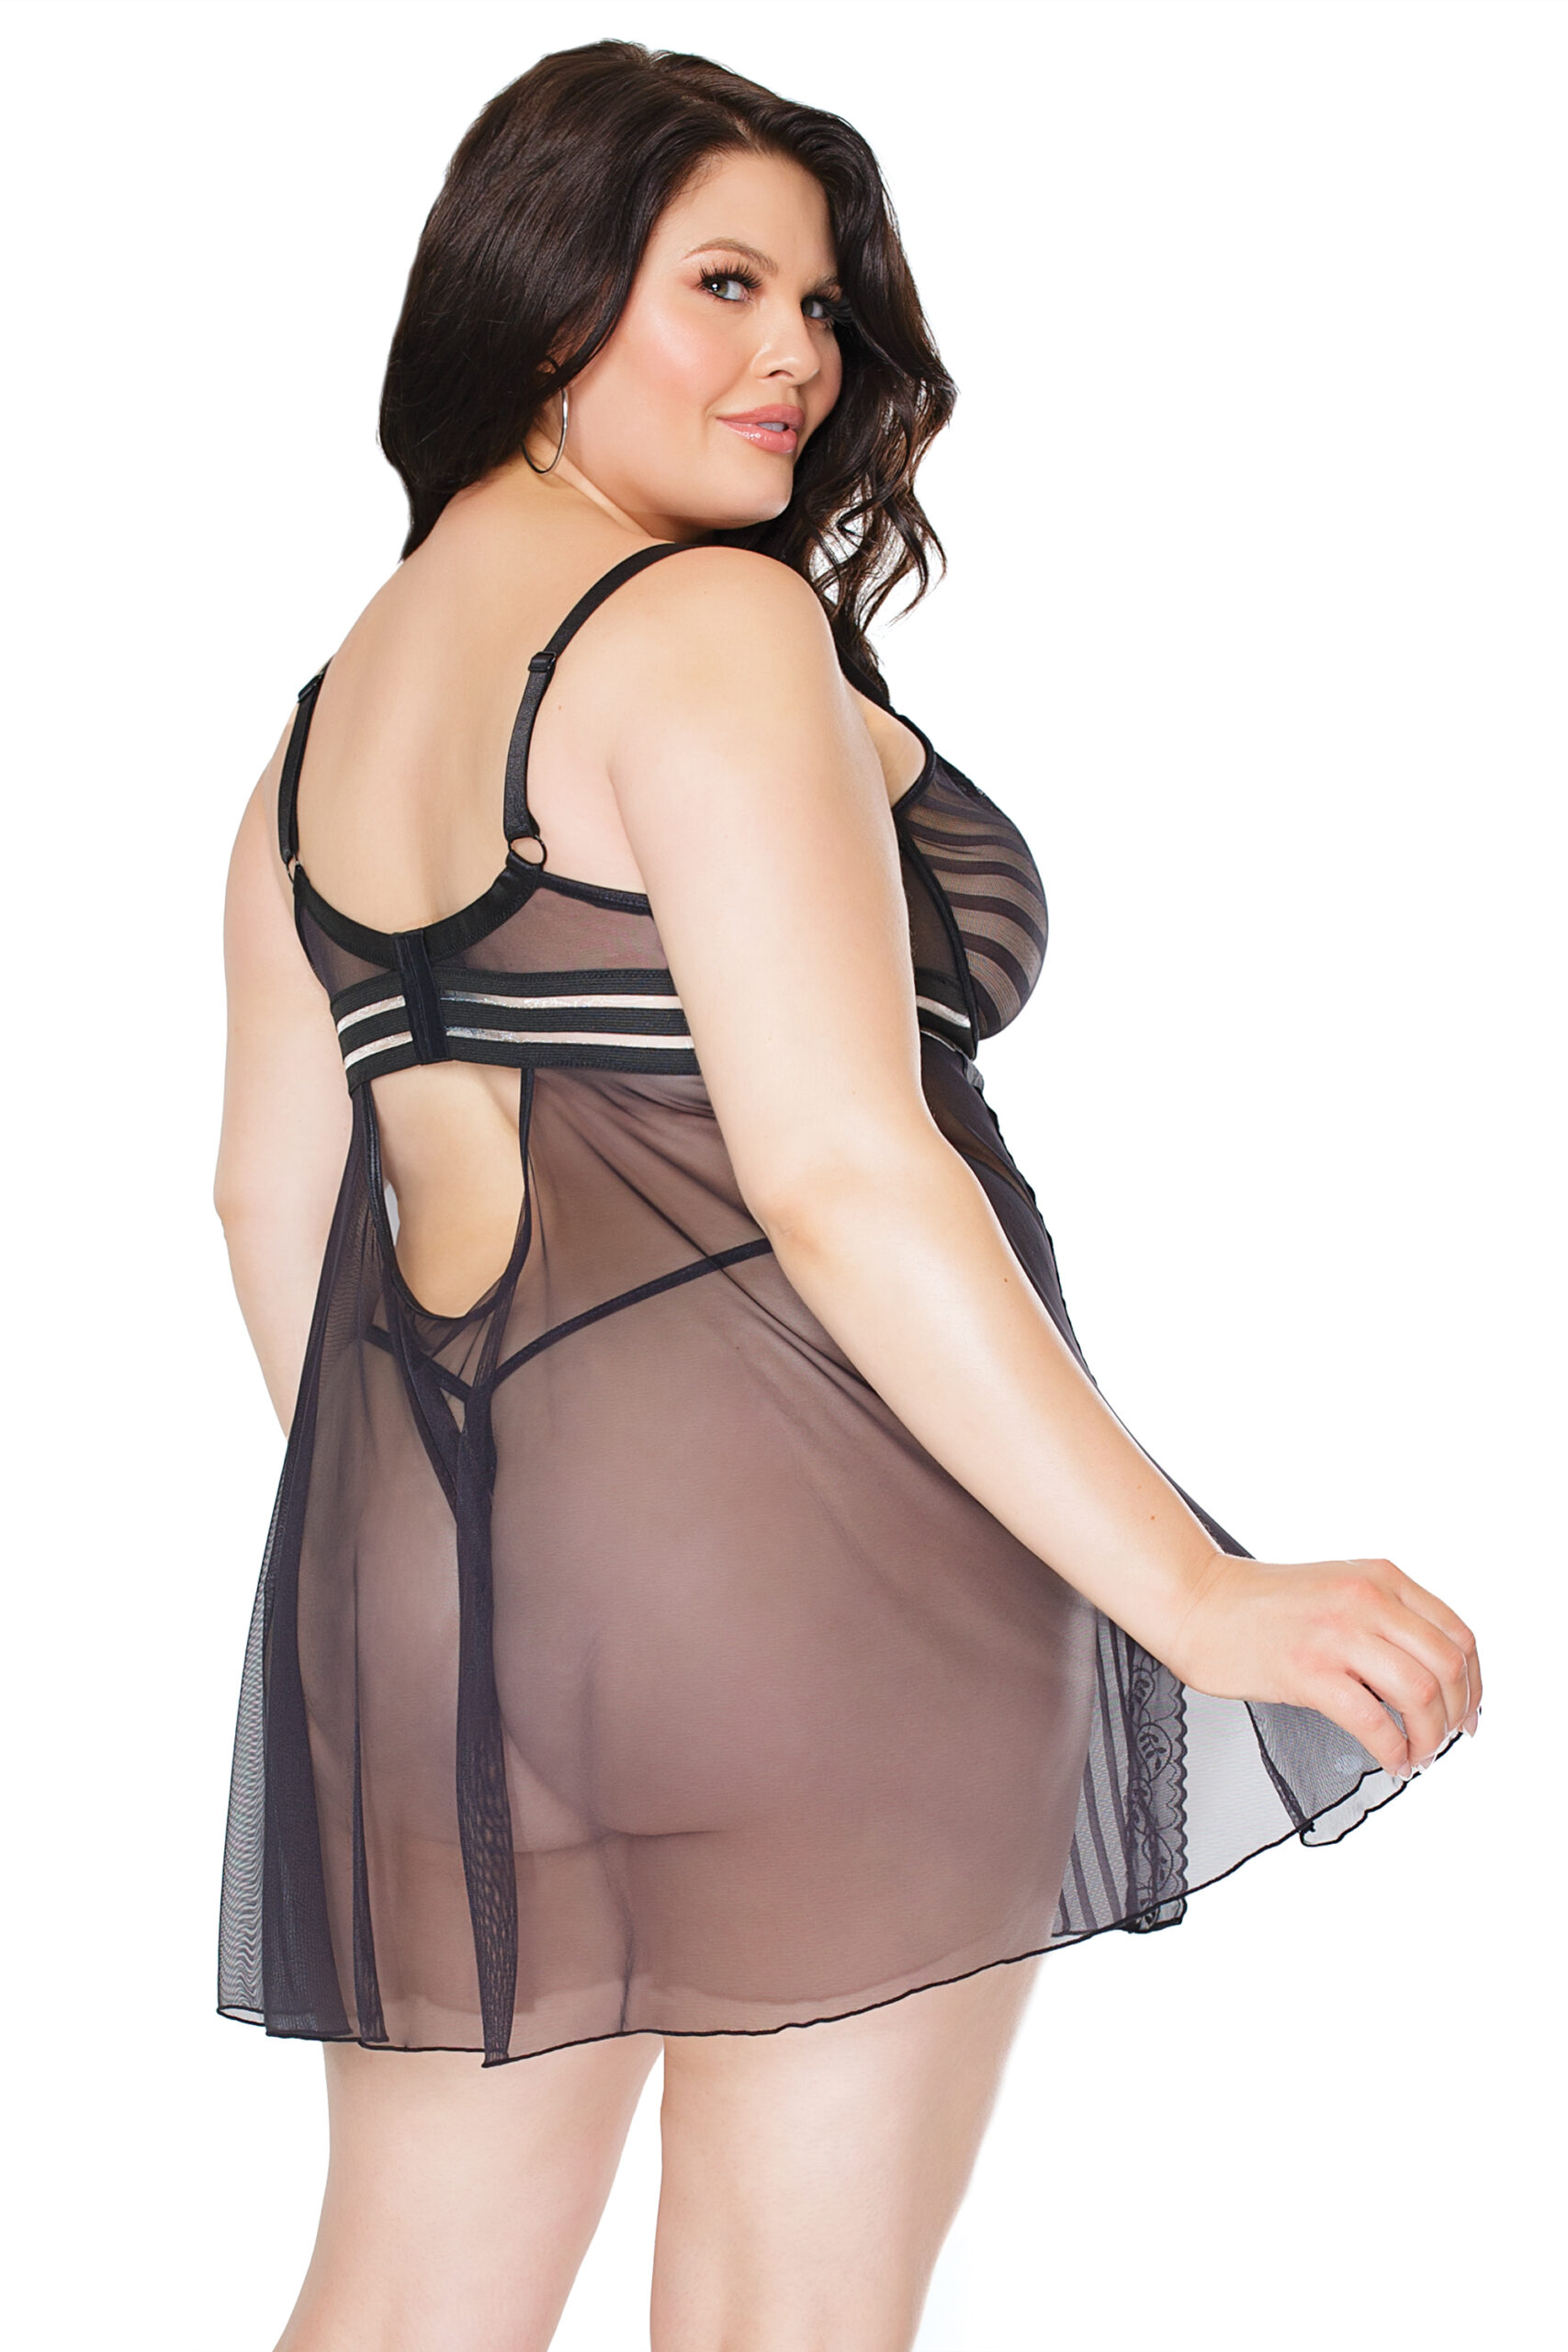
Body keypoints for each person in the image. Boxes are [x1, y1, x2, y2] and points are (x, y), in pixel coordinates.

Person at [213, 40, 1481, 2352]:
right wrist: (1191, 1588)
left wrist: (493, 1572)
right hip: (799, 1550)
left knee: (399, 2302)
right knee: (785, 2318)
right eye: (722, 284)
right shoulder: (703, 629)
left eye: (815, 302)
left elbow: (263, 1198)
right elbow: (829, 1159)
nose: (794, 353)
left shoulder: (314, 733)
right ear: (546, 287)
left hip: (421, 1589)